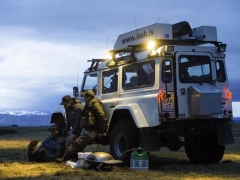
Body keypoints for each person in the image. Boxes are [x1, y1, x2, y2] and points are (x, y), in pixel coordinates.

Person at [62, 89, 107, 161]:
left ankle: (69, 156)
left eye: (84, 97)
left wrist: (101, 131)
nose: (84, 99)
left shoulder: (95, 105)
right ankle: (76, 157)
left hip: (93, 129)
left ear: (88, 98)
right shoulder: (88, 105)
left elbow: (101, 117)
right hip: (88, 128)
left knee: (78, 142)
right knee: (77, 142)